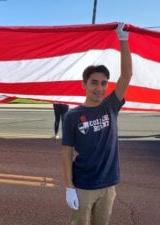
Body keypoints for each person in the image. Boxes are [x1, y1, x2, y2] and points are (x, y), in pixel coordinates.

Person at [61, 23, 132, 225]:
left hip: (108, 185)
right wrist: (69, 187)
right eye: (94, 82)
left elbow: (126, 76)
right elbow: (66, 153)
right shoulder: (72, 116)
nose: (99, 88)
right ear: (84, 85)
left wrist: (123, 40)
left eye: (103, 83)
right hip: (83, 185)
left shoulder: (110, 105)